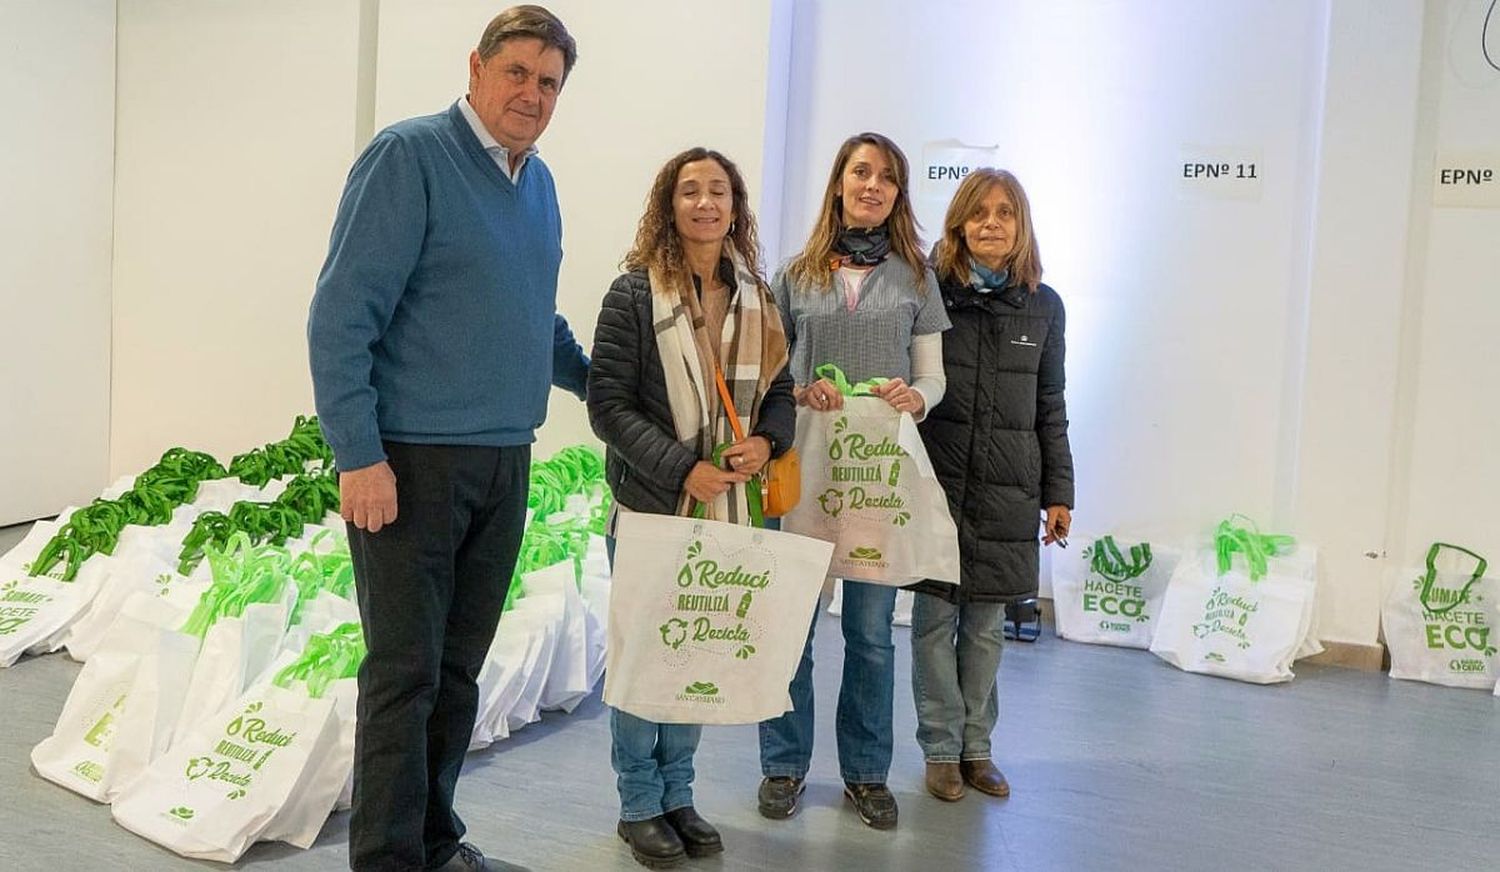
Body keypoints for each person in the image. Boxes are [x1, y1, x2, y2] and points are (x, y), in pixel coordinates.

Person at [306, 7, 586, 871]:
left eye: (548, 82)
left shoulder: (535, 183)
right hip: (411, 462)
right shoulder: (410, 157)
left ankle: (433, 838)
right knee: (404, 676)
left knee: (459, 674)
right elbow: (340, 317)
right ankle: (386, 859)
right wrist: (358, 454)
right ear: (476, 68)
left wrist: (615, 392)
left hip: (505, 461)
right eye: (518, 73)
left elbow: (537, 322)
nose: (531, 93)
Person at [587, 147, 796, 868]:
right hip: (651, 507)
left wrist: (767, 442)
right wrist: (686, 470)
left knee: (695, 652)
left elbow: (781, 393)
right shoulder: (632, 293)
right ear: (668, 206)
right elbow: (607, 406)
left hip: (729, 511)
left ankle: (680, 793)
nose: (705, 203)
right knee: (646, 656)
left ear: (734, 206)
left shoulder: (758, 297)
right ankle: (638, 802)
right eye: (689, 191)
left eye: (718, 191)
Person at [757, 132, 950, 830]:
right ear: (838, 182)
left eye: (887, 178)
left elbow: (934, 375)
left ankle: (867, 775)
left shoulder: (916, 278)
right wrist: (799, 393)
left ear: (898, 194)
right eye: (860, 172)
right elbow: (773, 373)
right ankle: (783, 764)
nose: (873, 185)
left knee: (871, 634)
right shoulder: (794, 275)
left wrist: (915, 397)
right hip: (805, 473)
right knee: (792, 628)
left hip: (875, 481)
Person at [910, 168, 1073, 802]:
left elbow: (1050, 404)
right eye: (980, 212)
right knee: (932, 621)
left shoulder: (1044, 305)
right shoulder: (930, 297)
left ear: (1021, 225)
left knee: (983, 627)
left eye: (1005, 213)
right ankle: (940, 749)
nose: (992, 224)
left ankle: (978, 748)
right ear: (959, 223)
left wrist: (1060, 492)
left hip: (1009, 488)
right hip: (939, 485)